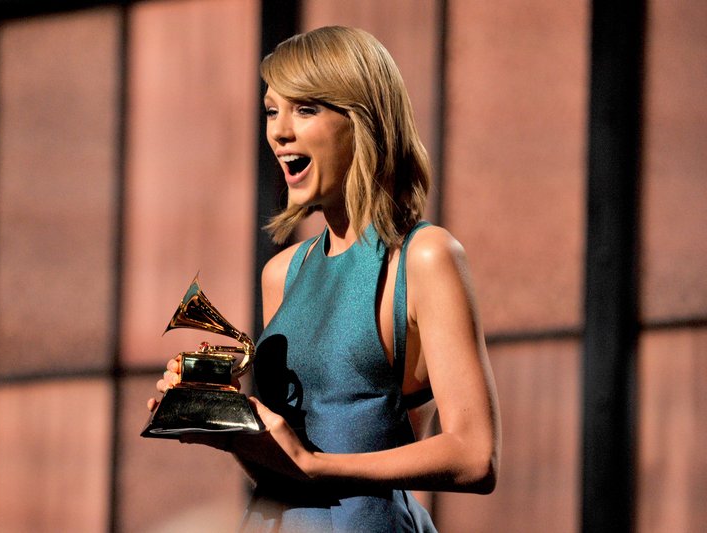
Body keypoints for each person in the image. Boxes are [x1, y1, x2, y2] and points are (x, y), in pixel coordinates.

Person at [148, 25, 501, 533]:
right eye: (272, 110)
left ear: (362, 121)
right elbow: (285, 464)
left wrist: (317, 466)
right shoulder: (282, 273)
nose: (278, 131)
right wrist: (224, 426)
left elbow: (475, 455)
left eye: (306, 109)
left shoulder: (425, 256)